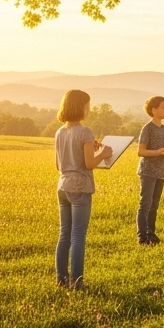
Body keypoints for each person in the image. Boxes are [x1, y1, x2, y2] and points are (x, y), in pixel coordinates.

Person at [54, 89, 112, 289]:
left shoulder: (60, 132)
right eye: (88, 105)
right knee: (78, 235)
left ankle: (61, 279)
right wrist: (103, 153)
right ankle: (78, 282)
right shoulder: (85, 132)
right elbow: (89, 163)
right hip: (80, 187)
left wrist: (89, 149)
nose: (89, 109)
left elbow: (58, 165)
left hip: (63, 186)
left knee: (65, 234)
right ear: (81, 107)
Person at [136, 95, 164, 245]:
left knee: (154, 205)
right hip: (147, 171)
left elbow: (162, 151)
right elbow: (141, 151)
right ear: (154, 110)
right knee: (145, 204)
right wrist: (158, 152)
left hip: (160, 171)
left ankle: (151, 233)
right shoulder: (147, 128)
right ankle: (142, 237)